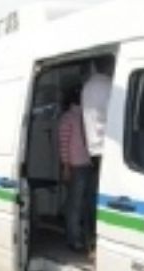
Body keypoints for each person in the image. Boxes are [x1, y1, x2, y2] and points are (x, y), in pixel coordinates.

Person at [81, 57, 113, 244]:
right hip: (107, 148)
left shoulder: (87, 87)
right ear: (109, 66)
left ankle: (89, 236)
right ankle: (97, 239)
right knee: (104, 201)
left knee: (92, 195)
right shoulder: (108, 86)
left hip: (92, 148)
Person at [58, 88, 92, 252]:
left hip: (87, 163)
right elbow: (63, 144)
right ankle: (74, 238)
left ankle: (84, 238)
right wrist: (66, 166)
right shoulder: (68, 118)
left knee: (83, 203)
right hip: (76, 165)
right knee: (76, 204)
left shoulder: (85, 116)